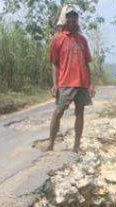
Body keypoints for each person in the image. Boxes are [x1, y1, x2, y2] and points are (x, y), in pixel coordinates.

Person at [46, 5, 96, 153]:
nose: (73, 20)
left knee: (80, 113)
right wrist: (55, 84)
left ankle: (76, 146)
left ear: (77, 20)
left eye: (75, 17)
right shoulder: (57, 39)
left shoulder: (82, 39)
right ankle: (51, 144)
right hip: (64, 83)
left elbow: (86, 63)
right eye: (70, 17)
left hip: (81, 83)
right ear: (65, 19)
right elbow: (54, 64)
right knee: (58, 112)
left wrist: (90, 84)